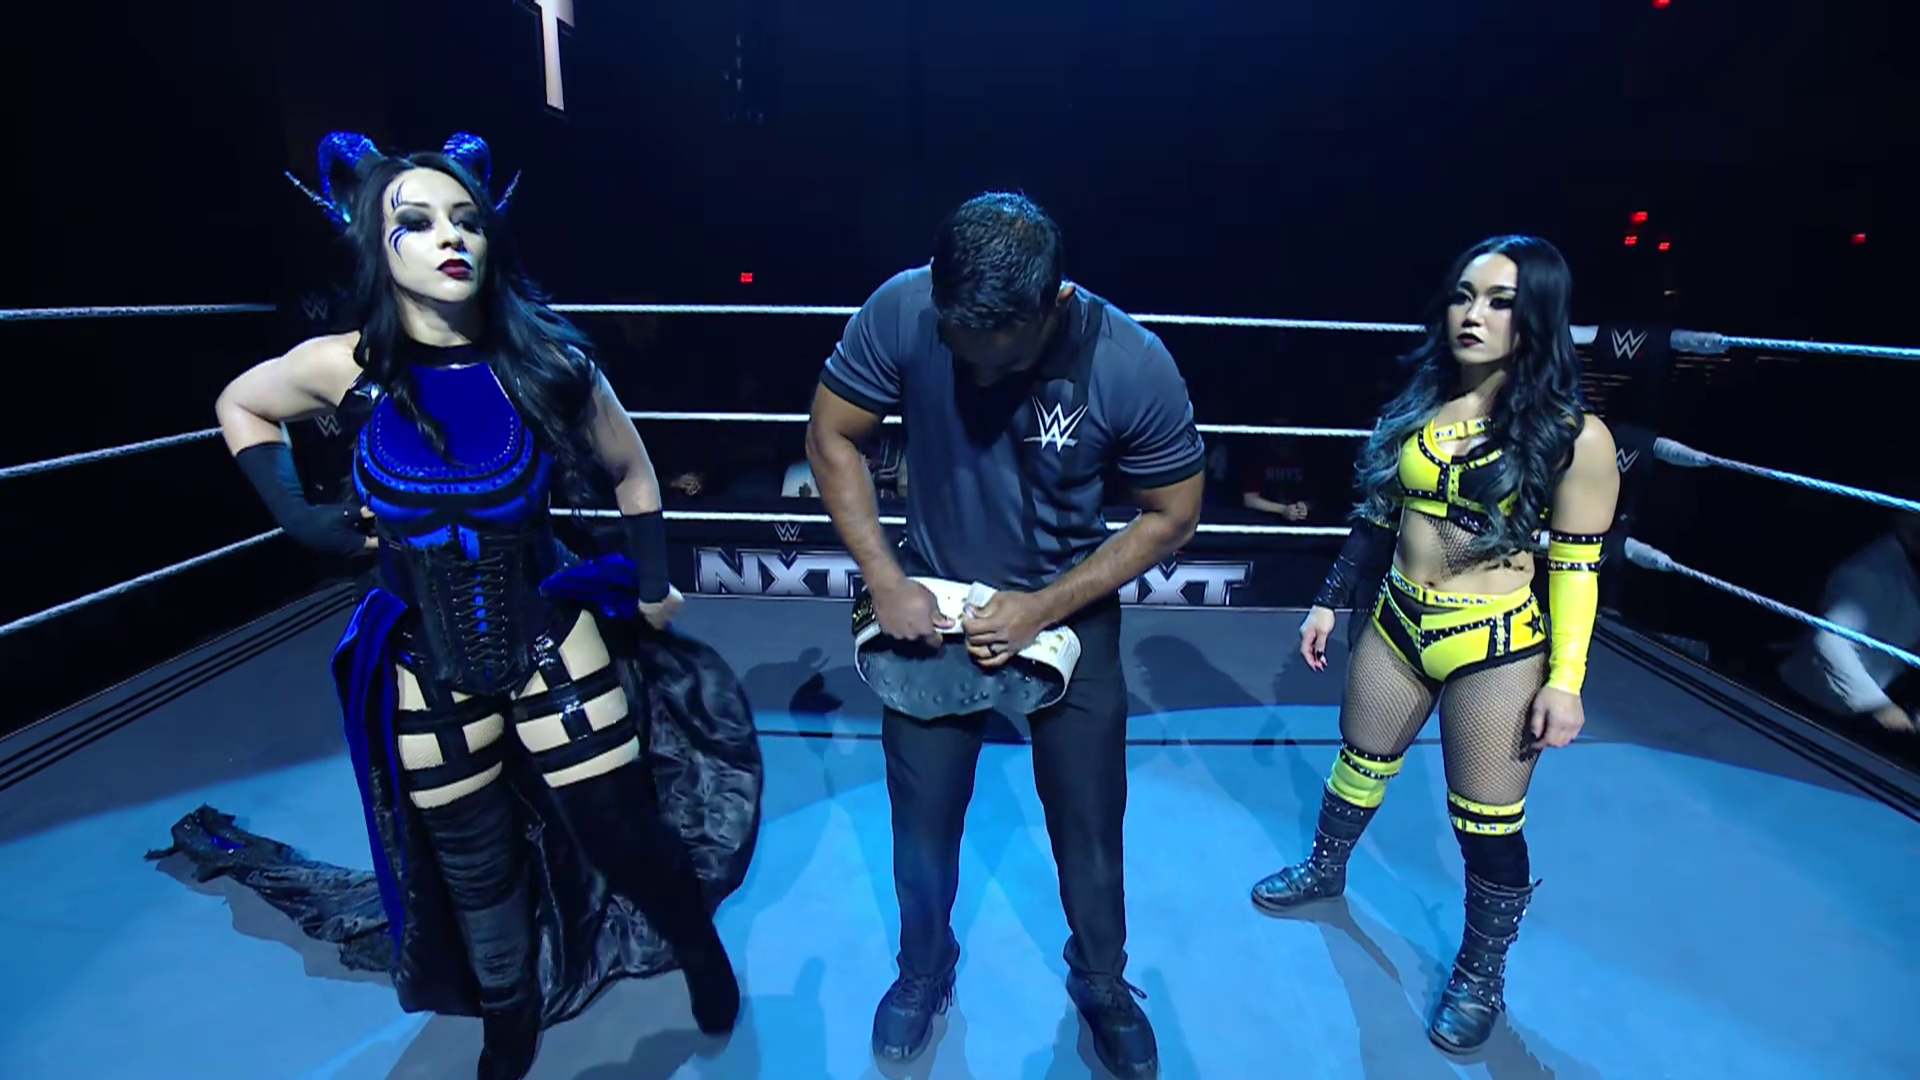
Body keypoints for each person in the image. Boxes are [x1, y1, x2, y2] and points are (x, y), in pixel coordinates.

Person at [160, 133, 764, 1080]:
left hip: (550, 640)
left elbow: (635, 472)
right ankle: (508, 1021)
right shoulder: (341, 368)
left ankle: (697, 949)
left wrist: (651, 584)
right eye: (418, 221)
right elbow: (239, 403)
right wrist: (302, 518)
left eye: (467, 220)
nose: (451, 237)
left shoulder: (547, 360)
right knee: (474, 872)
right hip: (423, 661)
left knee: (624, 835)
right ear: (377, 245)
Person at [805, 192, 1206, 1080]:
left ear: (1054, 304)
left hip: (1068, 610)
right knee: (921, 822)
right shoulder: (902, 307)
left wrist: (1043, 606)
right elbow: (833, 433)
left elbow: (1173, 513)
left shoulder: (1131, 361)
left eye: (1005, 357)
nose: (981, 379)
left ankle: (1101, 980)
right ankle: (923, 968)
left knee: (1091, 831)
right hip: (933, 603)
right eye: (963, 352)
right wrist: (886, 579)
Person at [1248, 235, 1619, 1054]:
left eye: (1500, 302)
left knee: (1486, 822)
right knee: (1360, 758)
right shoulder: (1417, 408)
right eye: (1463, 296)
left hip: (1496, 642)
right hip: (1398, 620)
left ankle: (1481, 974)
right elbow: (1378, 516)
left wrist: (1566, 680)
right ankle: (1326, 868)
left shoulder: (1574, 437)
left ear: (1539, 316)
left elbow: (1577, 571)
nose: (1473, 315)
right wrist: (1328, 600)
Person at [1777, 509, 1920, 737]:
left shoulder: (1912, 577)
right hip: (1804, 706)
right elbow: (1829, 641)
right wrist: (1881, 708)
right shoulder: (1870, 572)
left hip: (1856, 714)